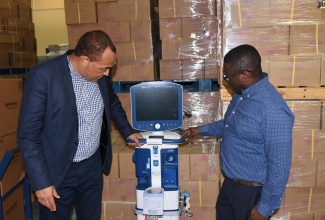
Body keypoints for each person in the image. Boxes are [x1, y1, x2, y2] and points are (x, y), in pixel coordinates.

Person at [17, 30, 143, 220]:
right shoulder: (44, 76)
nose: (107, 73)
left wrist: (128, 131)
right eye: (103, 68)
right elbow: (28, 135)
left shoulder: (100, 74)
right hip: (58, 171)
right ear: (85, 60)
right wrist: (41, 183)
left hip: (92, 166)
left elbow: (111, 102)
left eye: (109, 68)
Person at [181, 44, 294, 220]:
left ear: (245, 75)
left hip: (252, 193)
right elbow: (230, 125)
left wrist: (264, 208)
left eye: (227, 76)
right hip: (231, 186)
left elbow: (280, 165)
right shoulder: (242, 94)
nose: (225, 80)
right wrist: (199, 130)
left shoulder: (272, 109)